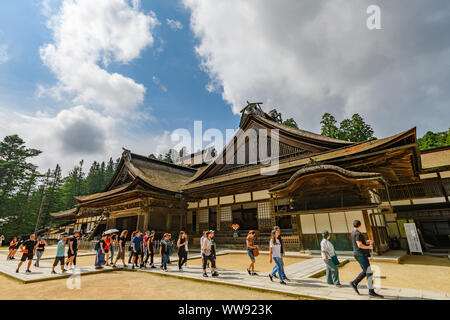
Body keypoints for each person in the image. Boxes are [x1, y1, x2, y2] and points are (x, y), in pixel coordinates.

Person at [350, 220, 383, 298]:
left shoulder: (353, 232)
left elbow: (360, 242)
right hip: (361, 254)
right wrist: (369, 247)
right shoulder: (358, 233)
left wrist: (367, 242)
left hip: (357, 254)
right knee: (368, 272)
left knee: (366, 271)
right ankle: (370, 292)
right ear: (360, 225)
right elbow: (359, 245)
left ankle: (354, 283)